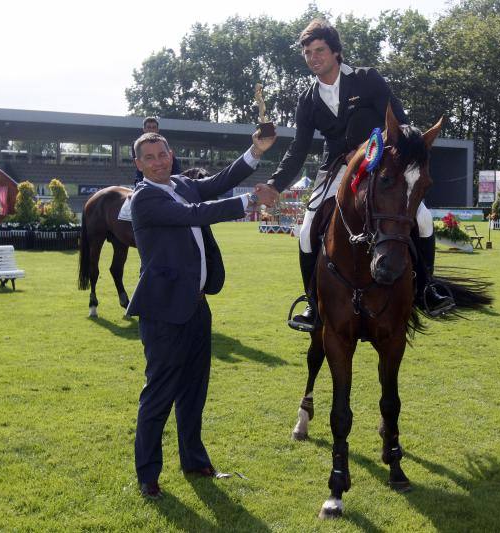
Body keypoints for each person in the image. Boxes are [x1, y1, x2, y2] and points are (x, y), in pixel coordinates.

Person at [256, 19, 453, 331]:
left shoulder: (367, 79)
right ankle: (311, 302)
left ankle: (427, 288)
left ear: (336, 52)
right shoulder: (307, 99)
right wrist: (275, 184)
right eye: (307, 52)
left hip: (379, 163)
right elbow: (299, 147)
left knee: (424, 219)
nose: (313, 57)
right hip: (335, 168)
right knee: (307, 230)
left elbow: (399, 123)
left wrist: (373, 150)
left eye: (319, 50)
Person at [126, 130, 279, 499]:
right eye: (149, 157)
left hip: (196, 306)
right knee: (159, 394)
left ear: (171, 154)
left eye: (162, 154)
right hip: (164, 312)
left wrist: (256, 152)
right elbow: (194, 215)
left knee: (194, 391)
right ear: (139, 164)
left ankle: (194, 461)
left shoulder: (182, 183)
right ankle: (147, 475)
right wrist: (251, 202)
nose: (158, 161)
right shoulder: (144, 198)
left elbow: (222, 181)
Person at [132, 117, 181, 185]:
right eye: (149, 127)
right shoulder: (138, 145)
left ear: (157, 130)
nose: (151, 130)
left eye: (154, 127)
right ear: (144, 129)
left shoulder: (162, 143)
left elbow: (175, 168)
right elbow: (141, 168)